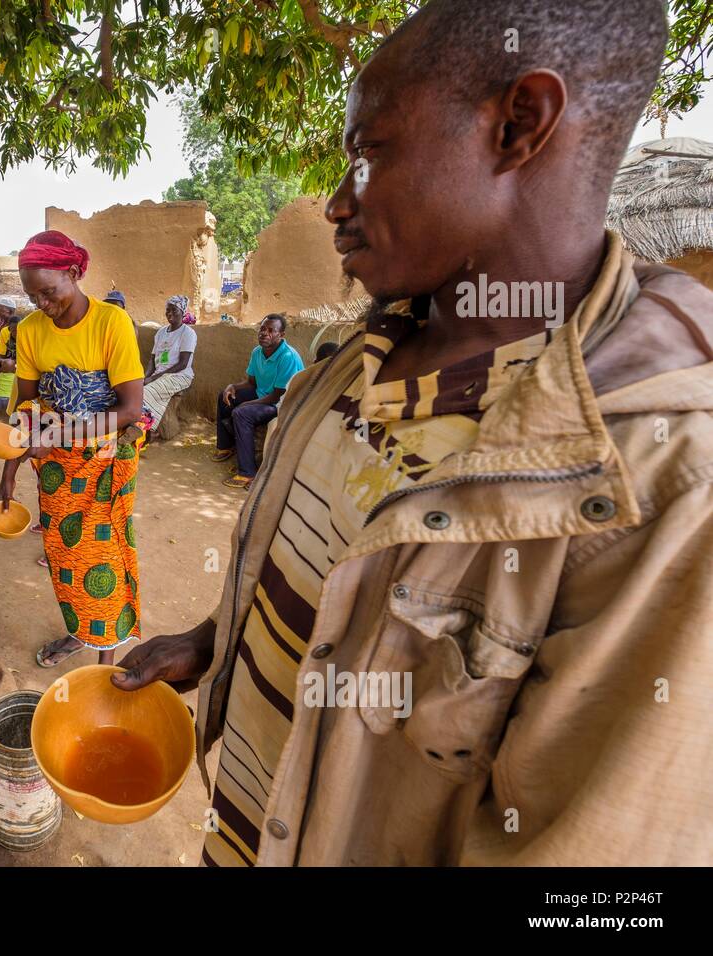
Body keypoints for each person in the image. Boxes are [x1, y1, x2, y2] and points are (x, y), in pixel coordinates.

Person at [115, 0, 713, 867]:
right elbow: (334, 593)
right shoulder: (358, 354)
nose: (335, 203)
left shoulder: (657, 484)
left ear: (519, 124)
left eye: (368, 153)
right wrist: (215, 638)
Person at [0, 230, 146, 668]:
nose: (42, 303)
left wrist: (59, 436)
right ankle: (79, 632)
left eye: (49, 292)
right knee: (65, 557)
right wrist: (9, 468)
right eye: (32, 295)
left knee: (102, 557)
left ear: (74, 273)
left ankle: (106, 660)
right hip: (54, 468)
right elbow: (23, 404)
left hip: (103, 464)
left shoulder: (111, 323)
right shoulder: (29, 330)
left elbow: (130, 409)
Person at [213, 313, 304, 488]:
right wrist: (233, 387)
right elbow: (251, 383)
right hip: (263, 394)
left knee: (241, 413)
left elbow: (278, 396)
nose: (264, 333)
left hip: (282, 403)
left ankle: (247, 473)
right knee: (224, 396)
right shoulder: (257, 352)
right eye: (263, 328)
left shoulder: (287, 357)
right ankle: (225, 446)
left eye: (271, 330)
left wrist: (248, 404)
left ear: (281, 335)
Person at [141, 295, 198, 434]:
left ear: (183, 312)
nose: (170, 313)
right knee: (135, 388)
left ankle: (145, 428)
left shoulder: (188, 333)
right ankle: (142, 427)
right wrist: (145, 377)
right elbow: (152, 360)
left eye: (174, 310)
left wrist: (153, 379)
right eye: (168, 310)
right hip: (160, 375)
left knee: (145, 393)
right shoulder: (161, 332)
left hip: (179, 376)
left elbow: (183, 364)